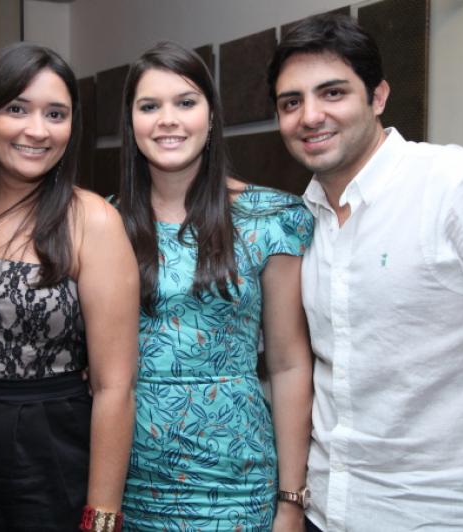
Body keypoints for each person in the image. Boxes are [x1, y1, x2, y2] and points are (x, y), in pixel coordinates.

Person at [268, 13, 463, 532]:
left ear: (378, 97)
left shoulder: (460, 187)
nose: (310, 116)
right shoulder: (300, 221)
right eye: (291, 102)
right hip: (324, 513)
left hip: (441, 518)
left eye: (332, 93)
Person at [0, 42, 139, 532]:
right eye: (17, 109)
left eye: (55, 114)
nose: (37, 130)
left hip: (45, 460)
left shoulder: (93, 222)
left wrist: (102, 516)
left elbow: (114, 387)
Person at [118, 41, 314, 531]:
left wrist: (291, 500)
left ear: (210, 117)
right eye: (149, 106)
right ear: (132, 123)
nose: (168, 120)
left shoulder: (269, 218)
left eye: (185, 102)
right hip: (130, 479)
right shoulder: (103, 223)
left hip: (236, 480)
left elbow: (289, 364)